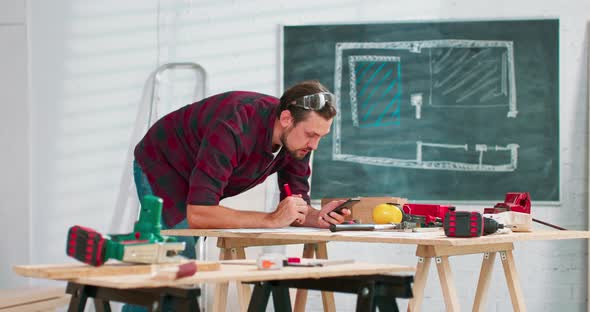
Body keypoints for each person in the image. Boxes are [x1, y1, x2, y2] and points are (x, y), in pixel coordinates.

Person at [132, 80, 350, 249]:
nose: (315, 145)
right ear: (286, 119)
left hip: (197, 170)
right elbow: (199, 213)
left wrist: (317, 217)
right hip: (163, 161)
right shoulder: (233, 127)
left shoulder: (298, 144)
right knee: (174, 257)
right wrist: (270, 219)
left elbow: (297, 211)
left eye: (321, 136)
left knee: (178, 264)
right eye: (311, 134)